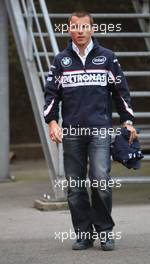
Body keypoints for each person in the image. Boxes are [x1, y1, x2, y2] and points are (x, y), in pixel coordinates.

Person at [43, 11, 137, 251]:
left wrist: (127, 121)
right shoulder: (60, 61)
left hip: (100, 131)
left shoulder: (107, 58)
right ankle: (83, 234)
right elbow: (51, 94)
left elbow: (121, 92)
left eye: (85, 26)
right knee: (75, 186)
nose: (80, 31)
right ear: (69, 30)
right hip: (72, 132)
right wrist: (52, 122)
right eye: (75, 27)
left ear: (92, 29)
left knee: (101, 180)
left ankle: (105, 232)